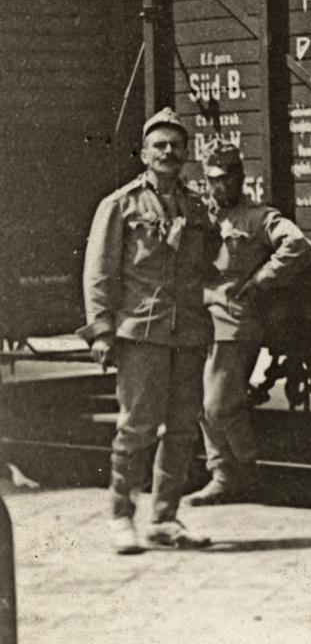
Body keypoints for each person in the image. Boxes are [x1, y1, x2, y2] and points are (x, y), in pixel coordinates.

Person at [79, 107, 219, 554]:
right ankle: (122, 517)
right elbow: (98, 272)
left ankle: (164, 519)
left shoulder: (197, 207)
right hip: (141, 333)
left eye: (176, 145)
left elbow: (209, 259)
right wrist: (102, 331)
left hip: (190, 333)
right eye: (159, 145)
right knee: (137, 427)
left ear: (186, 153)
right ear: (143, 154)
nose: (168, 152)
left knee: (182, 429)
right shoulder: (119, 205)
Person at [184, 141, 311, 506]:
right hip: (198, 320)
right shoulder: (200, 218)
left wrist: (261, 280)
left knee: (217, 405)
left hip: (234, 322)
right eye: (214, 180)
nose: (221, 186)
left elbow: (298, 245)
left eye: (228, 179)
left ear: (240, 179)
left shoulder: (258, 218)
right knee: (200, 403)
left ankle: (246, 471)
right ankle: (224, 476)